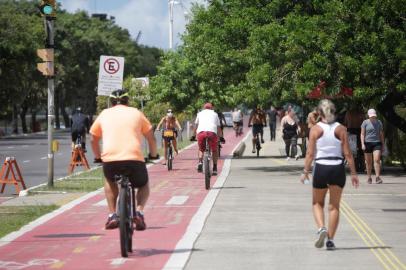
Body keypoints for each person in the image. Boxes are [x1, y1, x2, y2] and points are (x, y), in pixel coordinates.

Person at [90, 89, 158, 230]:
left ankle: (112, 215)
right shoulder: (136, 113)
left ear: (111, 101)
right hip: (134, 158)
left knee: (110, 180)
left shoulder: (104, 114)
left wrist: (98, 156)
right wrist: (153, 155)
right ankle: (138, 212)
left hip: (110, 158)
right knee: (143, 184)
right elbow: (150, 137)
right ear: (128, 101)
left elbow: (93, 138)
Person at [300, 99, 359, 250]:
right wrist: (353, 173)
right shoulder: (341, 129)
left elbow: (310, 153)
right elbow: (347, 153)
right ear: (334, 112)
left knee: (317, 203)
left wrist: (305, 172)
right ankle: (330, 240)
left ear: (319, 113)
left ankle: (321, 228)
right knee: (334, 207)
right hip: (337, 168)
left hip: (321, 167)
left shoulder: (315, 129)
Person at [192, 103, 224, 176]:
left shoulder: (199, 113)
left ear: (204, 108)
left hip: (201, 133)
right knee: (215, 150)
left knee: (201, 149)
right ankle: (215, 168)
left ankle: (200, 162)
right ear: (211, 108)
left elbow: (196, 125)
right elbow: (219, 127)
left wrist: (193, 135)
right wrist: (221, 137)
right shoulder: (215, 114)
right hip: (212, 133)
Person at [361, 109, 385, 184]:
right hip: (367, 143)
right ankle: (369, 177)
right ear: (369, 115)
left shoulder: (379, 122)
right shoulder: (365, 122)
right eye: (371, 116)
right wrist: (362, 144)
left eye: (374, 116)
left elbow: (381, 134)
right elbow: (362, 134)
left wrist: (383, 144)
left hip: (377, 143)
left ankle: (377, 177)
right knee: (368, 162)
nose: (373, 117)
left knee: (377, 159)